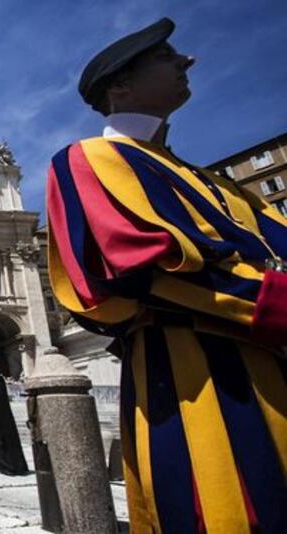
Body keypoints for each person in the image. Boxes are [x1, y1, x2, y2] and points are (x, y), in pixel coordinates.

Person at [46, 17, 286, 533]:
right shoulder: (88, 159)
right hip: (194, 380)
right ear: (120, 85)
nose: (186, 60)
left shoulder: (218, 182)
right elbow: (134, 266)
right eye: (164, 56)